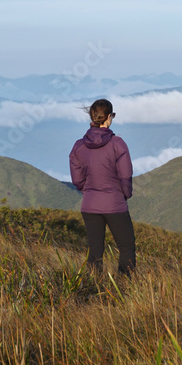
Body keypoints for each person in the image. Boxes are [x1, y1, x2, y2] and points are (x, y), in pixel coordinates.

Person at [69, 98, 137, 279]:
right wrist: (125, 194)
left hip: (89, 205)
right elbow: (125, 175)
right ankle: (124, 286)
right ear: (108, 117)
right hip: (114, 204)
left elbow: (77, 179)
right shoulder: (117, 143)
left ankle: (92, 286)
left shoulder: (78, 146)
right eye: (112, 115)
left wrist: (89, 190)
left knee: (95, 252)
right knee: (126, 246)